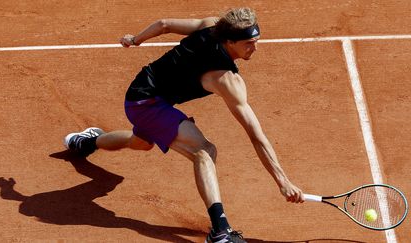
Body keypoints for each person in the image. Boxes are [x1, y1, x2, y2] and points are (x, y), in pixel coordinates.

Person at [64, 7, 305, 243]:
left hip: (142, 92)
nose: (255, 48)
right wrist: (282, 181)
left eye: (256, 40)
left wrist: (135, 40)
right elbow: (256, 135)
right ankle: (220, 231)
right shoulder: (226, 80)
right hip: (146, 103)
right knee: (205, 151)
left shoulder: (212, 24)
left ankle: (86, 141)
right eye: (249, 43)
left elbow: (164, 25)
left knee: (140, 142)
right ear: (230, 41)